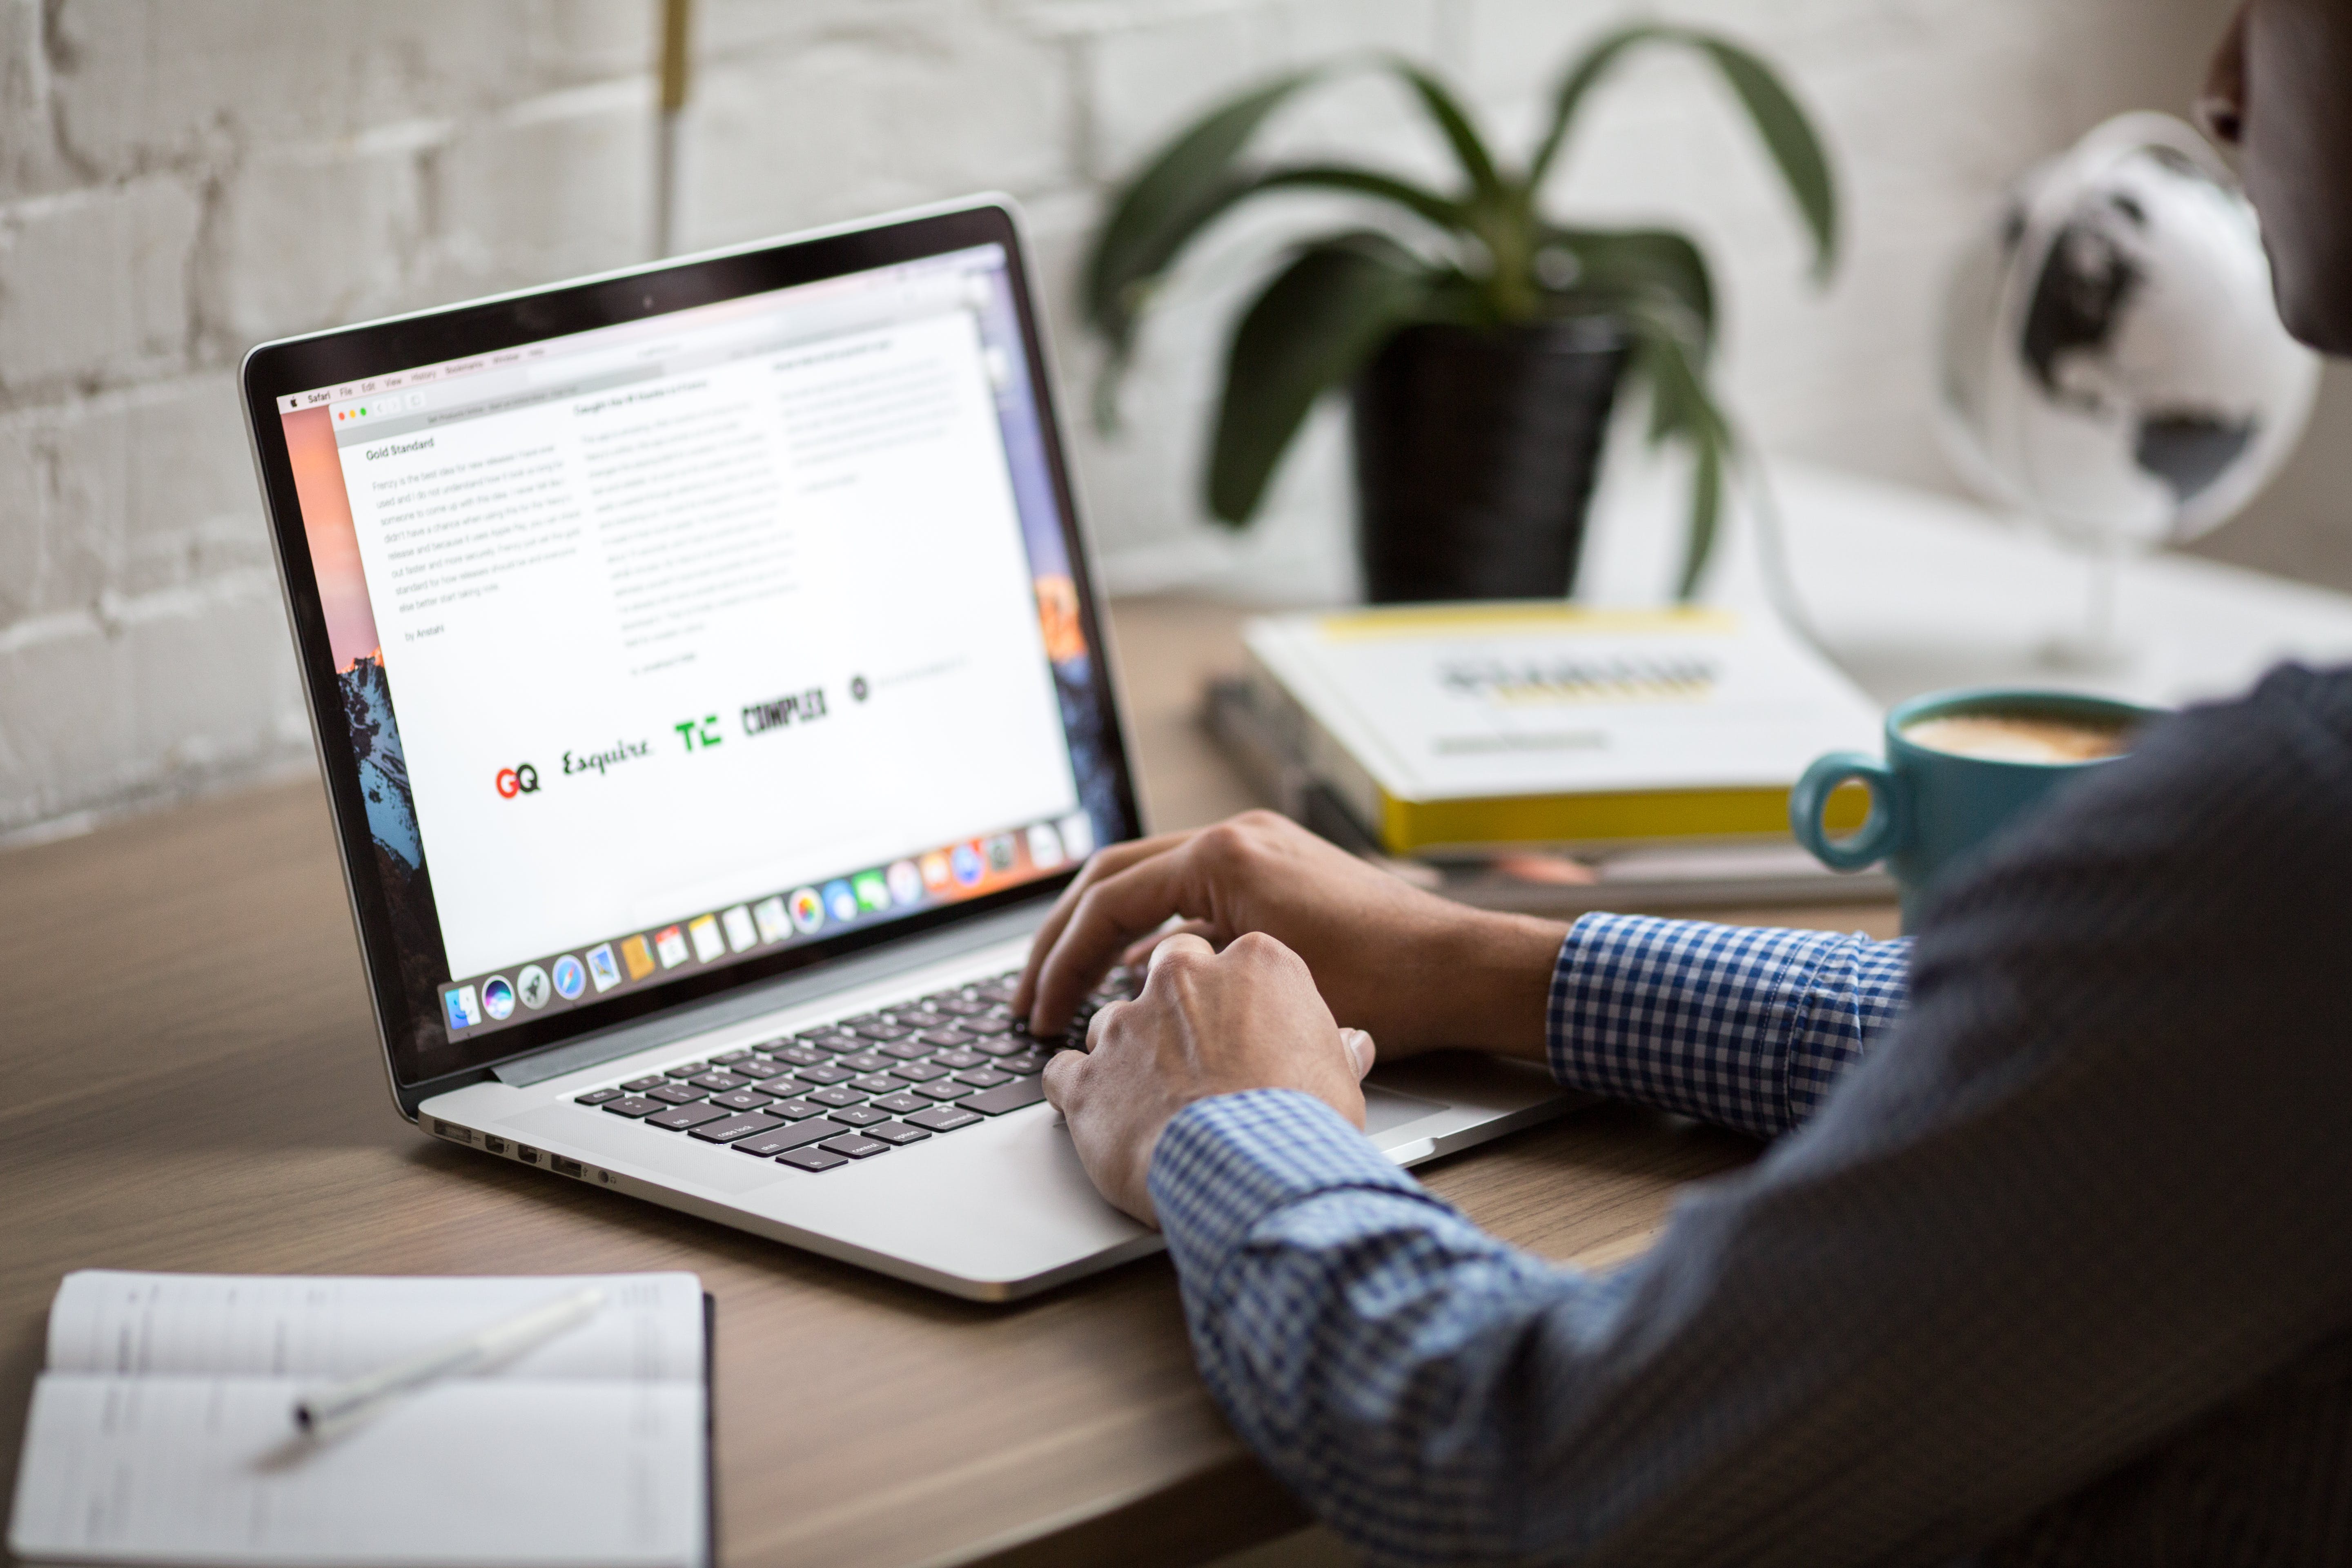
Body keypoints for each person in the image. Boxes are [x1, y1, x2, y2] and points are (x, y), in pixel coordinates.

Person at [1016, 4, 2352, 1562]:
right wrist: (1487, 962)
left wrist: (1232, 1123)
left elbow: (1543, 1468)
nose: (2221, 88)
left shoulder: (2288, 837)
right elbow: (2116, 1057)